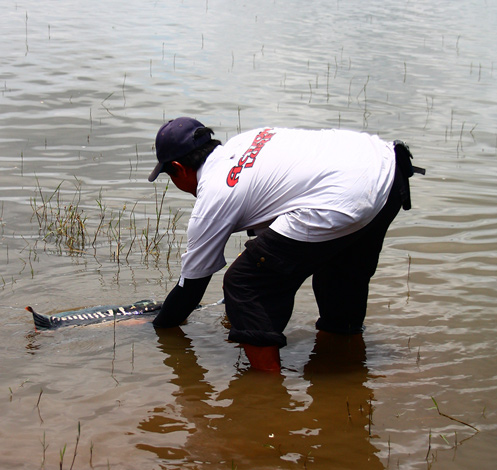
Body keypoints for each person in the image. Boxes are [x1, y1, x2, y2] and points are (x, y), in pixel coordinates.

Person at [148, 117, 424, 372]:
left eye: (170, 177)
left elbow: (191, 288)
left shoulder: (214, 195)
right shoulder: (249, 139)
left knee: (246, 283)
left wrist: (157, 326)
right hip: (387, 171)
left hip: (345, 198)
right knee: (338, 273)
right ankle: (344, 371)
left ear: (178, 169)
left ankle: (267, 392)